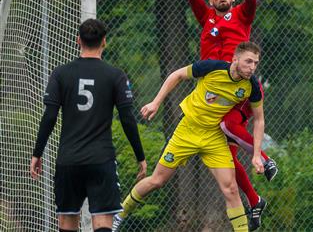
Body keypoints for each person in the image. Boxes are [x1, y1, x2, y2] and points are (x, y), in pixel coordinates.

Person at [112, 42, 265, 232]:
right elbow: (177, 75)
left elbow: (259, 120)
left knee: (231, 189)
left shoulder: (251, 86)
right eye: (248, 61)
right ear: (235, 59)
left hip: (213, 138)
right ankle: (120, 214)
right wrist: (156, 102)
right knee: (157, 181)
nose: (252, 67)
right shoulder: (212, 67)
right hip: (187, 131)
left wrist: (257, 154)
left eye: (256, 63)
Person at [188, 0, 278, 230]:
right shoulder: (207, 18)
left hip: (237, 88)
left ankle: (264, 158)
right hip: (213, 93)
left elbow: (252, 0)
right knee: (226, 155)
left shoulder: (242, 14)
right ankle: (254, 200)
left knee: (228, 125)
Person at [30, 19, 147, 232]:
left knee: (67, 221)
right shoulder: (115, 75)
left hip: (68, 160)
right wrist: (140, 156)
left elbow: (49, 117)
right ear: (104, 42)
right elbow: (128, 119)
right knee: (102, 222)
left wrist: (37, 153)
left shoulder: (60, 73)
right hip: (101, 160)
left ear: (78, 41)